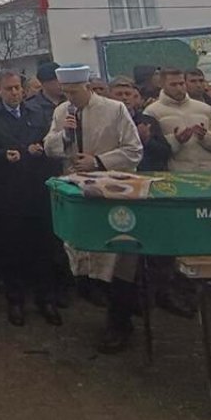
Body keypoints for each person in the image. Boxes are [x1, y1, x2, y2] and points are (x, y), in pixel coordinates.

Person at [43, 65, 144, 354]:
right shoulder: (62, 112)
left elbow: (134, 149)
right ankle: (99, 301)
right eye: (65, 92)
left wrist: (98, 161)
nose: (70, 97)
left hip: (112, 192)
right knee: (83, 252)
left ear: (87, 86)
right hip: (77, 191)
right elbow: (49, 147)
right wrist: (64, 136)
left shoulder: (114, 110)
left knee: (117, 258)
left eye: (74, 91)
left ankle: (120, 322)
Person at [0, 70, 62, 329]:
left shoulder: (38, 114)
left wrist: (39, 150)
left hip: (37, 191)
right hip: (7, 195)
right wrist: (3, 155)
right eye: (9, 89)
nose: (14, 93)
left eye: (17, 88)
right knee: (12, 250)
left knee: (42, 249)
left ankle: (46, 299)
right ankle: (15, 300)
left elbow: (51, 144)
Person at [143, 68, 211, 172]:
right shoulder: (151, 112)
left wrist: (205, 136)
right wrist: (176, 140)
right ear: (162, 85)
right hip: (177, 175)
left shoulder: (205, 108)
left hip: (210, 173)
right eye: (173, 85)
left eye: (181, 83)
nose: (179, 88)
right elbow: (152, 149)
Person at [109, 77, 170, 172]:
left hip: (147, 174)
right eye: (119, 94)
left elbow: (165, 152)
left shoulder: (148, 121)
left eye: (128, 94)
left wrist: (147, 140)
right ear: (109, 97)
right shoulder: (103, 121)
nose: (124, 98)